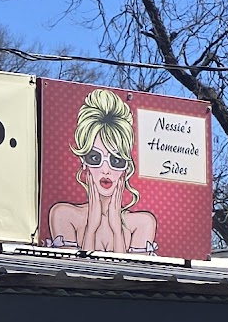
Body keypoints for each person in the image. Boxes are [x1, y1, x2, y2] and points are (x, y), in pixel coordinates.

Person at [46, 86, 158, 255]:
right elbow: (74, 273)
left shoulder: (142, 223)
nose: (106, 170)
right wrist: (91, 227)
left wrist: (116, 230)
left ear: (126, 167)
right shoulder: (63, 215)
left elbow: (130, 277)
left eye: (116, 160)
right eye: (95, 158)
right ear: (84, 161)